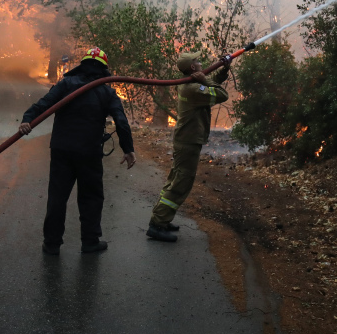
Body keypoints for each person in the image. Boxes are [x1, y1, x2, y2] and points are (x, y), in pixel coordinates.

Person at [19, 47, 136, 254]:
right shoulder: (107, 92)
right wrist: (128, 149)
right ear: (103, 69)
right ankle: (90, 242)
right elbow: (121, 121)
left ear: (81, 65)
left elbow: (44, 104)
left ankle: (52, 243)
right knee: (91, 197)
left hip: (61, 150)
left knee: (57, 196)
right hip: (89, 153)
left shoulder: (66, 84)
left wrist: (27, 119)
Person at [146, 51, 230, 242]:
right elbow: (221, 94)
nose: (201, 63)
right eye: (198, 61)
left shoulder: (187, 84)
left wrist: (224, 69)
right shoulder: (191, 89)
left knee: (175, 179)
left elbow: (209, 83)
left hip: (185, 140)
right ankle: (157, 224)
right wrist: (207, 80)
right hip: (188, 142)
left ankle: (162, 218)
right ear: (193, 68)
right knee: (181, 183)